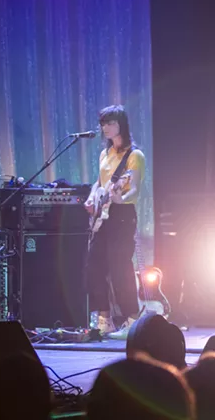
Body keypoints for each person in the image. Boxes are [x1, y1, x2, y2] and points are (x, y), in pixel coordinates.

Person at [84, 105, 146, 339]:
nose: (105, 128)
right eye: (103, 123)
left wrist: (121, 197)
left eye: (110, 123)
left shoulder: (134, 155)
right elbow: (100, 183)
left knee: (120, 268)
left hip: (122, 216)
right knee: (94, 266)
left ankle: (132, 319)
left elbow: (135, 189)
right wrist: (92, 197)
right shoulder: (105, 154)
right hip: (104, 218)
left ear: (121, 124)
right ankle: (104, 319)